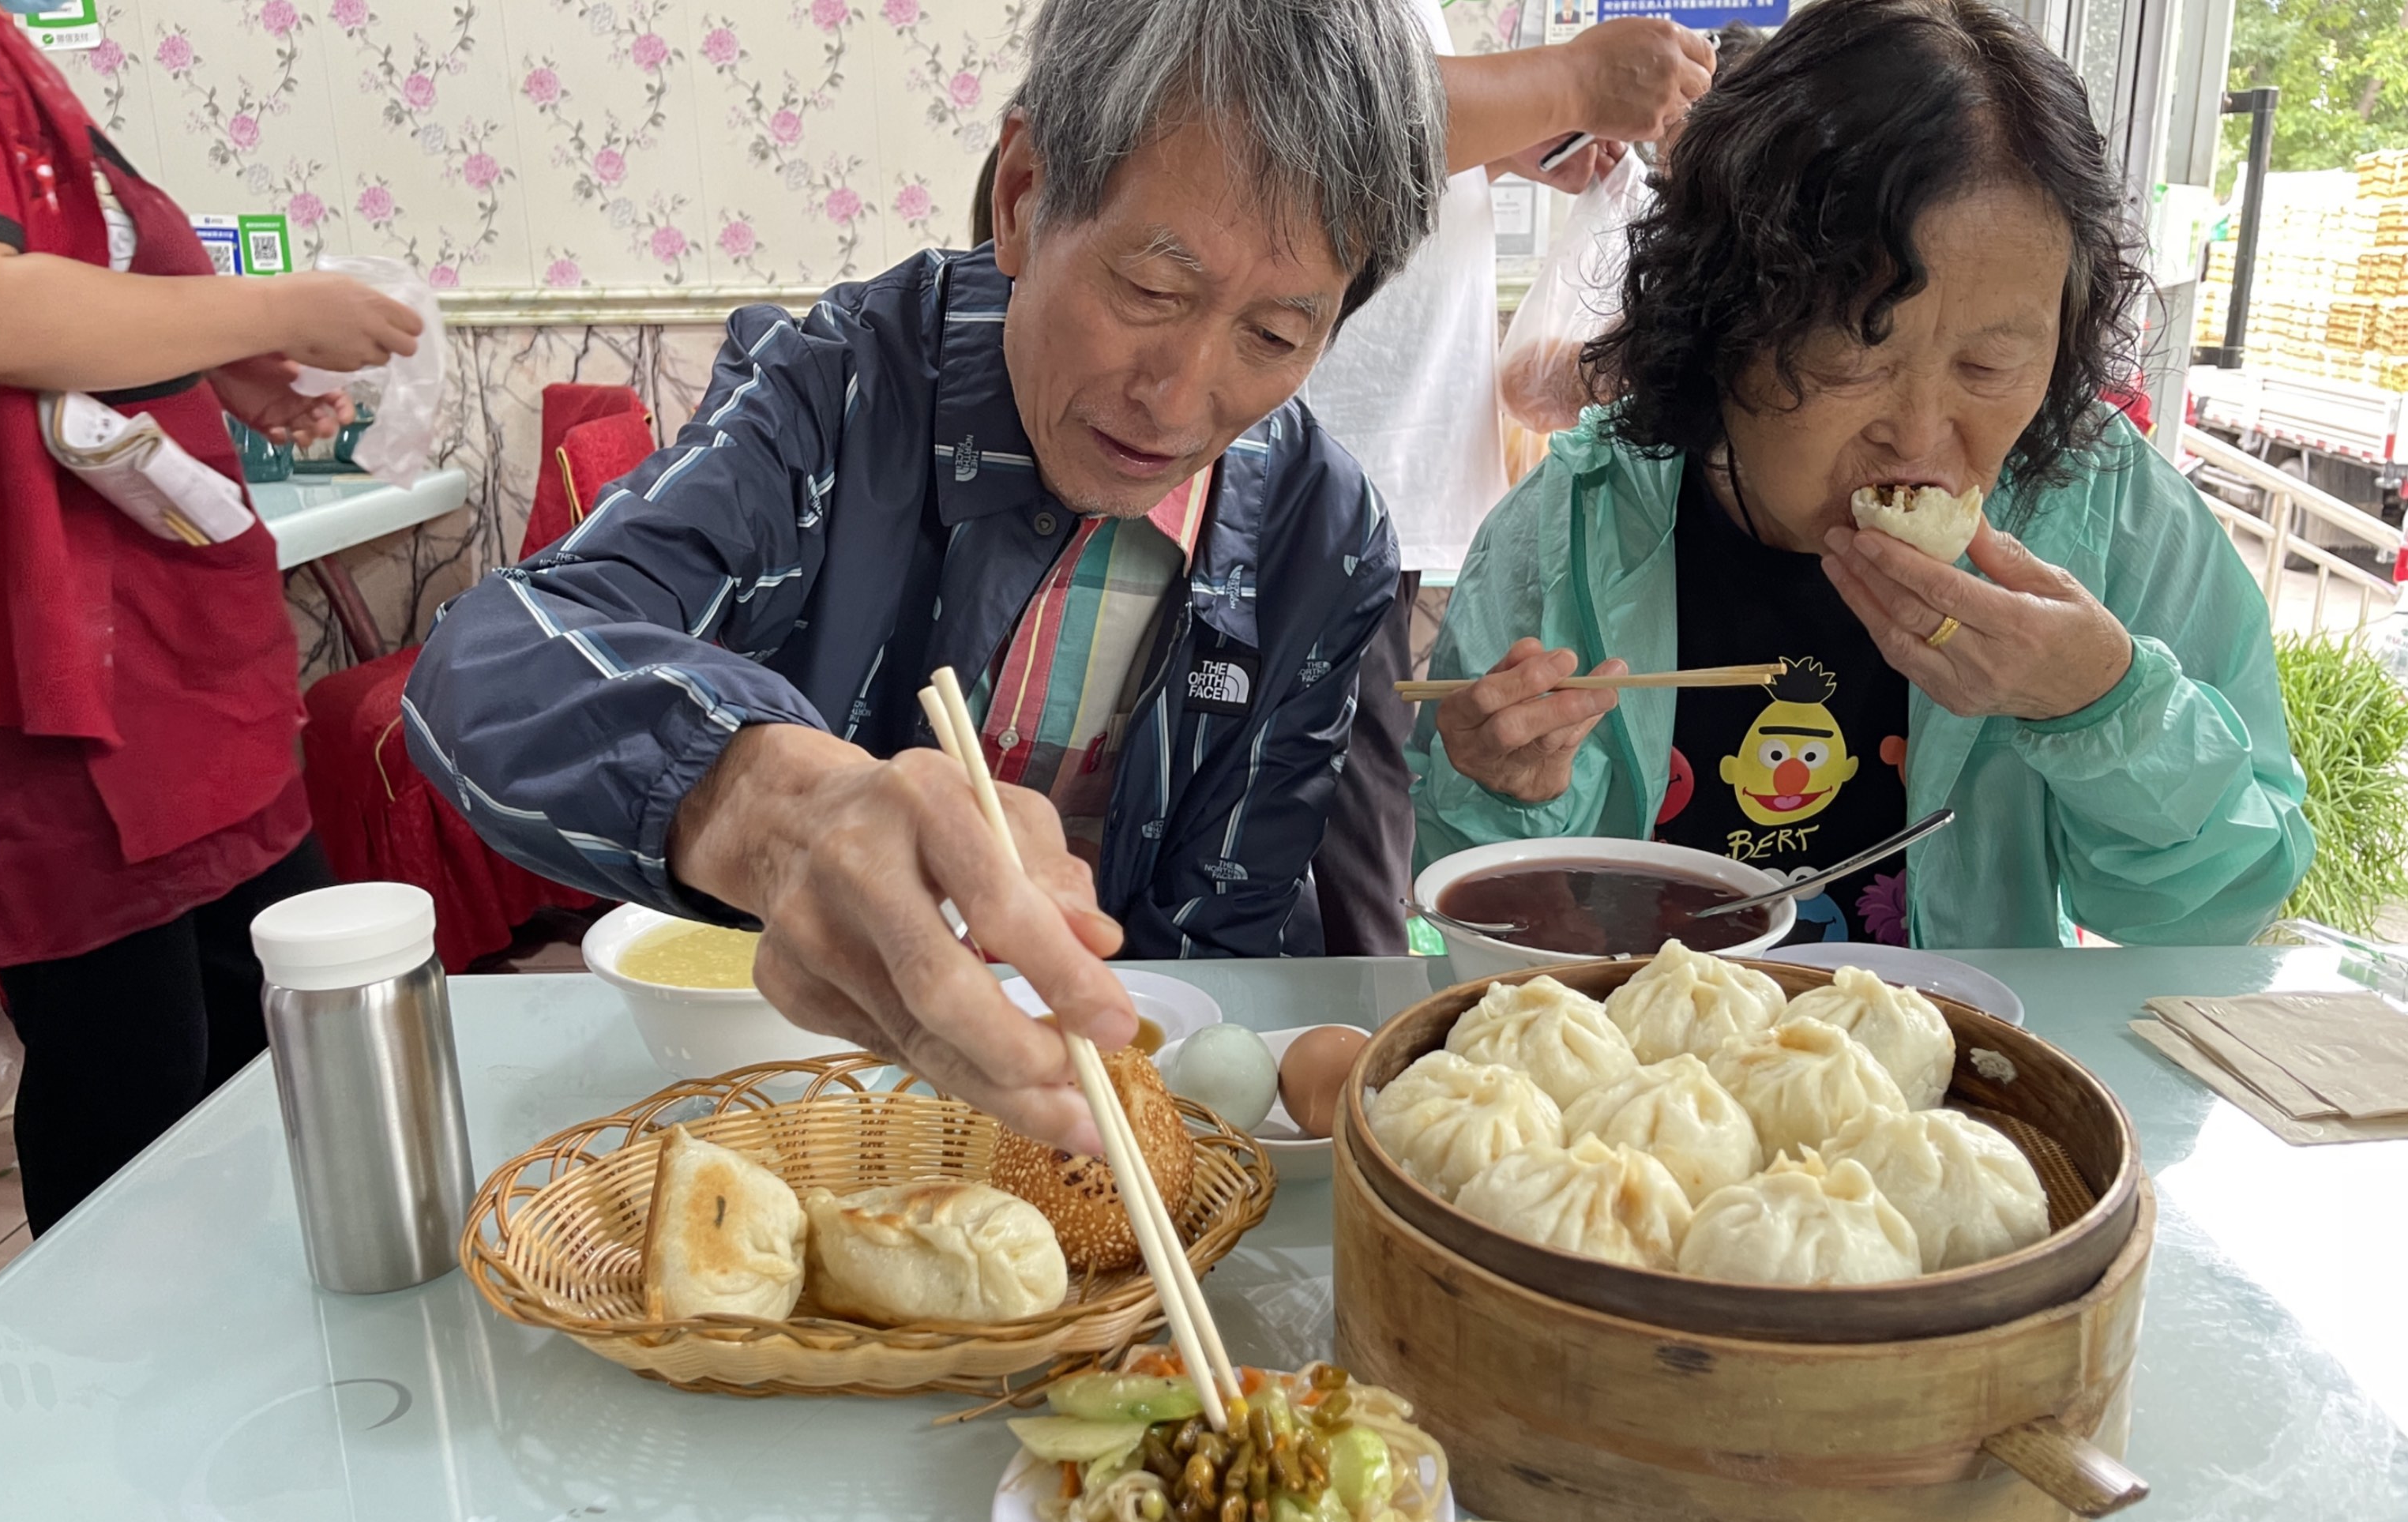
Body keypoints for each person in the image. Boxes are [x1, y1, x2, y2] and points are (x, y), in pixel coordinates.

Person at [406, 0, 1443, 1150]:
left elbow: (1220, 953)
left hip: (1087, 1134)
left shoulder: (1319, 537)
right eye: (1151, 290)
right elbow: (491, 658)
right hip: (787, 1093)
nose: (1181, 393)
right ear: (1023, 194)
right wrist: (773, 803)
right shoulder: (842, 394)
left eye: (1273, 336)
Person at [1409, 0, 2312, 949]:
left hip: (1959, 1075)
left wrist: (2102, 704)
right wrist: (1502, 786)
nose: (1918, 436)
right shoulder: (1572, 535)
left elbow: (2219, 909)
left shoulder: (2105, 510)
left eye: (1989, 367)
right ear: (1721, 321)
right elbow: (1492, 942)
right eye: (1853, 356)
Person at [0, 0, 423, 1232]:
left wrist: (214, 364)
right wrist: (272, 311)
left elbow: (74, 300)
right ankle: (136, 1390)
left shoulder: (7, 63)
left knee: (281, 1018)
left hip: (172, 660)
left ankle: (281, 1343)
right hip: (64, 675)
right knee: (140, 1079)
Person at [1301, 8, 1716, 956]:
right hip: (1324, 466)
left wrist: (1500, 143)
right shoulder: (1568, 507)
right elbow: (1288, 113)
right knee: (1355, 828)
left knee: (1361, 806)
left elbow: (1356, 132)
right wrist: (1565, 82)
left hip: (1379, 467)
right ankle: (1369, 1042)